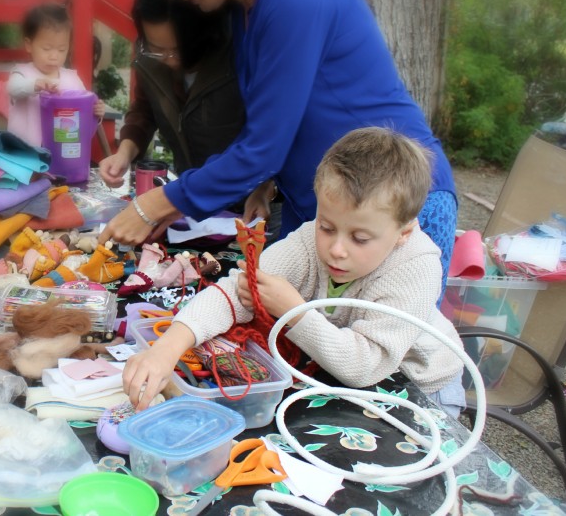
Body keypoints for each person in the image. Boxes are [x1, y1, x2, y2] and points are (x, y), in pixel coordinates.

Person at [99, 0, 458, 295]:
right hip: (331, 214)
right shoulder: (247, 6)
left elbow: (262, 148)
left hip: (394, 209)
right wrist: (264, 184)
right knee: (306, 347)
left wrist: (154, 203)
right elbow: (283, 117)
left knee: (385, 353)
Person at [123, 128, 467, 418]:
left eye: (360, 238)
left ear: (403, 233)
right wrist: (167, 347)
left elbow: (365, 365)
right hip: (346, 377)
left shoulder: (417, 268)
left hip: (420, 388)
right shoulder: (309, 237)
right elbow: (235, 292)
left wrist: (293, 311)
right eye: (327, 227)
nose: (337, 249)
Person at [98, 0, 257, 210]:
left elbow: (266, 134)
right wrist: (124, 153)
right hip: (189, 198)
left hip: (248, 202)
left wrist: (266, 188)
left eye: (178, 50)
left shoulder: (238, 57)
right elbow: (145, 109)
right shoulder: (149, 61)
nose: (169, 60)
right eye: (157, 49)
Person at [6, 3, 105, 147]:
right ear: (29, 45)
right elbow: (12, 88)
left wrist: (96, 112)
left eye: (61, 50)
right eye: (46, 48)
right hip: (24, 152)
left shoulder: (72, 79)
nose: (54, 56)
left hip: (60, 152)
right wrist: (35, 84)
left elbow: (84, 109)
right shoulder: (23, 73)